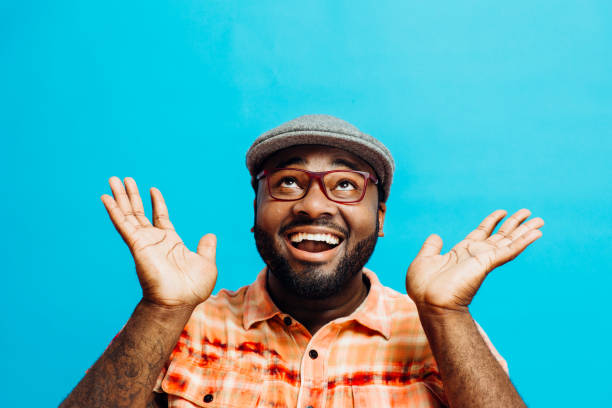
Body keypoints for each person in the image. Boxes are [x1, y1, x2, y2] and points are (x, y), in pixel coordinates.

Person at [60, 114, 543, 408]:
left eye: (346, 185)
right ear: (255, 211)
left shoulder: (439, 332)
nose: (314, 206)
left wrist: (447, 315)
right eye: (288, 182)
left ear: (380, 217)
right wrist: (161, 310)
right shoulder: (184, 326)